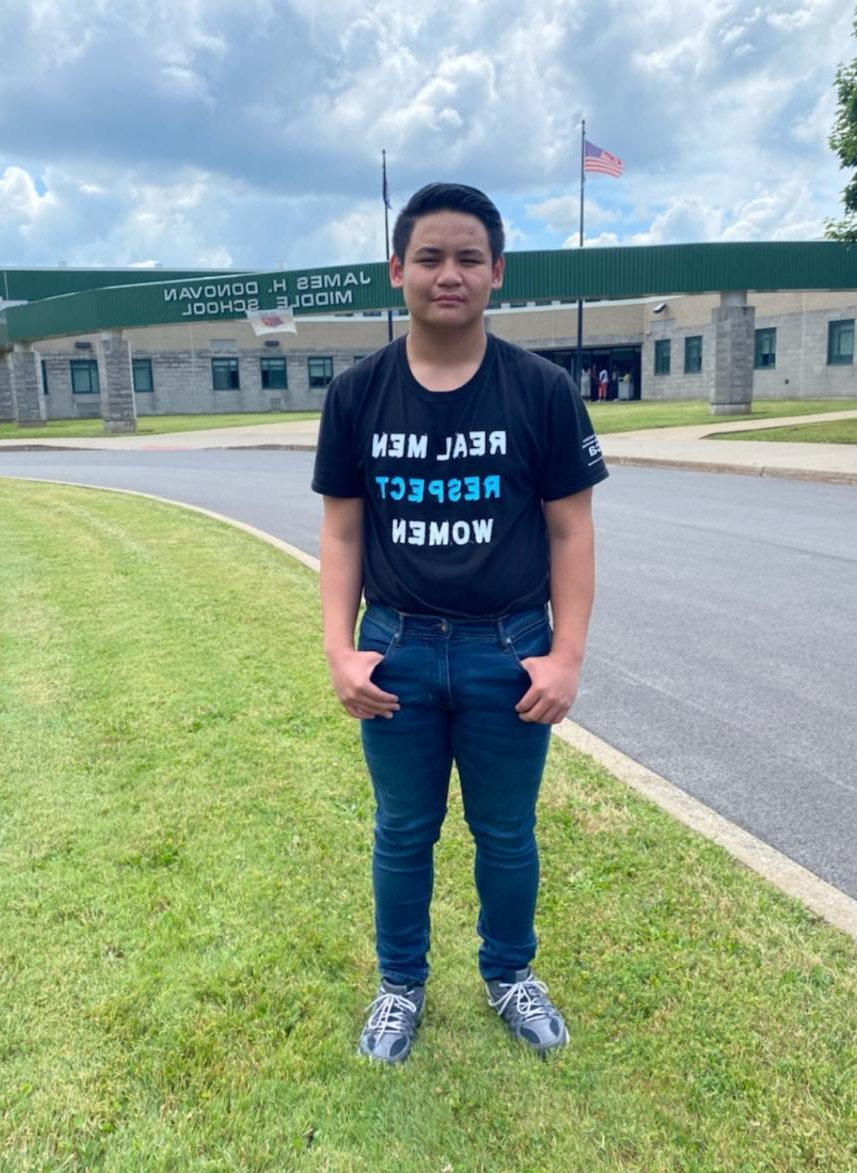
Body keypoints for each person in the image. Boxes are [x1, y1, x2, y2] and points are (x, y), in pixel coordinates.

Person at [311, 182, 608, 1064]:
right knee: (403, 830)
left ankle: (508, 973)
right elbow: (341, 528)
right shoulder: (358, 393)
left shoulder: (542, 390)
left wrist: (564, 656)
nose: (450, 274)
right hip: (396, 649)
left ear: (497, 273)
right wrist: (338, 648)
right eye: (431, 258)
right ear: (396, 270)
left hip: (508, 652)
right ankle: (399, 986)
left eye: (468, 258)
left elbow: (570, 527)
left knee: (505, 831)